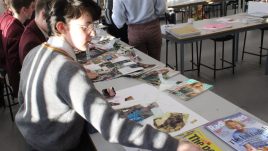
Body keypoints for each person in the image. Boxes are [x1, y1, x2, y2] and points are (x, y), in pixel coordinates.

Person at [15, 0, 201, 151]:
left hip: (33, 139)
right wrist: (175, 146)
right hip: (58, 145)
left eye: (93, 25)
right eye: (85, 27)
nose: (93, 33)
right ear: (62, 27)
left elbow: (23, 98)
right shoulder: (67, 69)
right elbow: (112, 127)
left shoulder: (37, 51)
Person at [0, 0, 35, 98]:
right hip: (19, 81)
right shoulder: (15, 30)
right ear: (24, 10)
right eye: (32, 7)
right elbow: (15, 65)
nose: (34, 9)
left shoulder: (6, 17)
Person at [19, 0, 51, 64]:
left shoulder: (36, 27)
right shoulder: (32, 44)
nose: (56, 24)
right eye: (55, 19)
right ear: (43, 15)